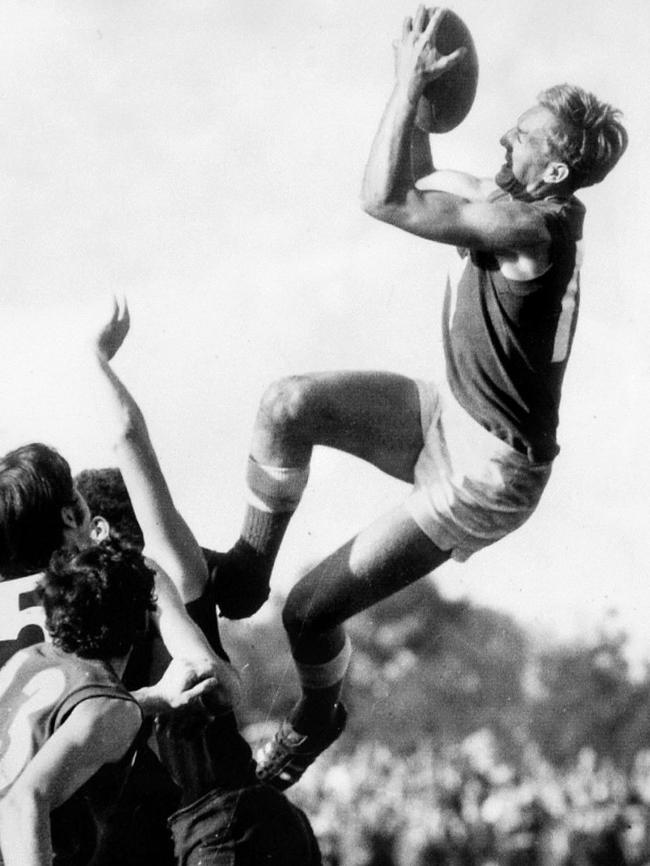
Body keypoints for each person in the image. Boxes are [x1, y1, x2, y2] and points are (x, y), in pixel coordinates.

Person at [210, 6, 628, 789]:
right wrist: (420, 100)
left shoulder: (525, 223)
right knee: (285, 404)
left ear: (554, 173)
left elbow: (384, 198)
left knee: (309, 613)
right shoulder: (520, 203)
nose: (506, 135)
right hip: (454, 414)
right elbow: (423, 176)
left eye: (527, 134)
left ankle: (318, 715)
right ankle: (244, 570)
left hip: (488, 474)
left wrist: (406, 88)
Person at [85, 297, 322, 865]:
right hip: (238, 827)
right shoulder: (114, 623)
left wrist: (95, 359)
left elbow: (126, 435)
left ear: (101, 531)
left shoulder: (164, 574)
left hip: (225, 832)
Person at [0, 536, 225, 866]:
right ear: (140, 621)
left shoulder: (27, 660)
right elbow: (22, 802)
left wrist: (154, 697)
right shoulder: (115, 709)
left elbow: (66, 722)